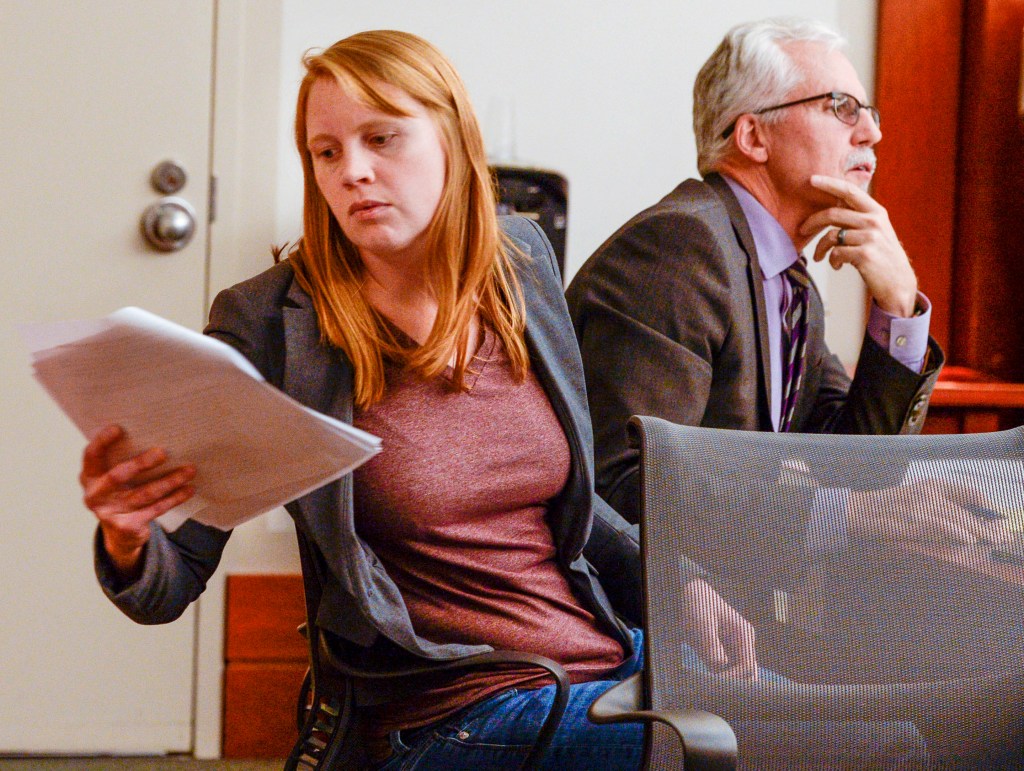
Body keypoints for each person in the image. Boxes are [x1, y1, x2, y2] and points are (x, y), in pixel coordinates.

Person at [80, 29, 929, 771]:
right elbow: (168, 577)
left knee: (901, 729)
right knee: (868, 748)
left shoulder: (518, 265)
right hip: (455, 712)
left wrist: (680, 588)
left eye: (383, 138)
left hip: (607, 654)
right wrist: (126, 532)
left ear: (453, 141)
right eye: (326, 151)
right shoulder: (272, 324)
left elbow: (573, 501)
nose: (353, 173)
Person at [566, 17, 945, 525]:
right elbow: (630, 487)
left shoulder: (790, 283)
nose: (873, 132)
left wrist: (899, 307)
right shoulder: (680, 248)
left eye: (869, 112)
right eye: (842, 107)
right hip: (651, 601)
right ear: (753, 136)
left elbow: (857, 468)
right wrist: (834, 522)